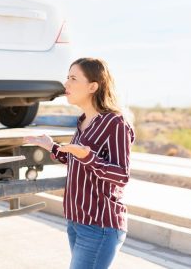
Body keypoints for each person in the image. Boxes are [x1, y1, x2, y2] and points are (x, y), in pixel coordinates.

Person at [24, 58, 135, 269]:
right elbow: (77, 159)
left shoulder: (115, 123)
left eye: (73, 78)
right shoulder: (83, 120)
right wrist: (52, 147)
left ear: (93, 86)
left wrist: (88, 156)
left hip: (99, 225)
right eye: (67, 77)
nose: (66, 84)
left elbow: (121, 175)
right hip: (77, 221)